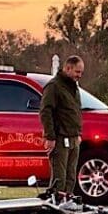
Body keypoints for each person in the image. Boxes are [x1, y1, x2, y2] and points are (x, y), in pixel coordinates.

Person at [40, 55, 84, 198]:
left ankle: (68, 205)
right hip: (60, 138)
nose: (79, 75)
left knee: (71, 177)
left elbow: (75, 112)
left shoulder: (74, 88)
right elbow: (46, 111)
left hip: (73, 138)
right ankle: (55, 206)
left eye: (81, 72)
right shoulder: (54, 87)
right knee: (60, 178)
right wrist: (50, 136)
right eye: (77, 72)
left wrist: (77, 134)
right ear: (67, 68)